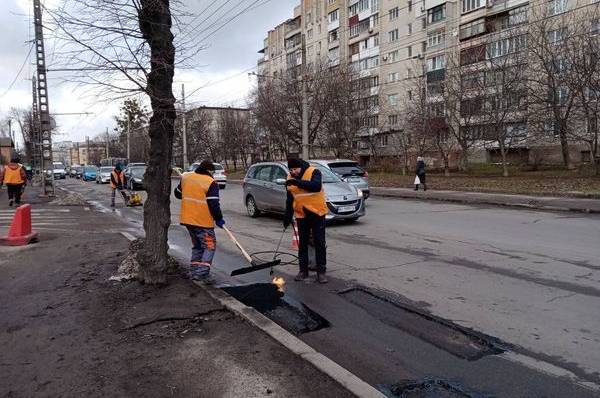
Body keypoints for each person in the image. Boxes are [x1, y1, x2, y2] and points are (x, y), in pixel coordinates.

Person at [174, 160, 225, 280]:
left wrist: (185, 184)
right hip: (202, 221)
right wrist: (219, 219)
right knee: (209, 246)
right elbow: (213, 204)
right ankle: (202, 274)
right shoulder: (210, 182)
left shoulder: (187, 177)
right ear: (209, 170)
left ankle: (194, 271)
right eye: (213, 171)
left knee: (197, 246)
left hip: (188, 220)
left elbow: (177, 194)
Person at [283, 158, 328, 284]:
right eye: (291, 170)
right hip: (301, 214)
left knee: (319, 242)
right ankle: (303, 271)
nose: (293, 172)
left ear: (300, 167)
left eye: (295, 169)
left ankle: (321, 272)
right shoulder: (289, 178)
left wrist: (296, 182)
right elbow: (290, 200)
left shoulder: (314, 172)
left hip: (317, 213)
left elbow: (316, 187)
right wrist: (287, 217)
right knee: (302, 244)